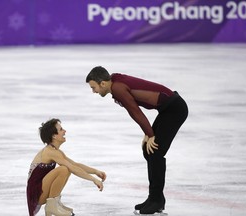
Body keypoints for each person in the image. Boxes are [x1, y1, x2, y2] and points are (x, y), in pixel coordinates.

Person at [86, 66, 188, 214]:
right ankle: (155, 197)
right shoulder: (114, 81)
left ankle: (156, 201)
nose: (93, 91)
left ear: (102, 83)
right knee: (149, 151)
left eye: (93, 87)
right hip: (168, 109)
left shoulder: (118, 89)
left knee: (155, 152)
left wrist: (150, 133)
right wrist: (148, 135)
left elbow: (135, 111)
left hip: (175, 109)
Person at [26, 118, 106, 216]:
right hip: (36, 193)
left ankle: (54, 204)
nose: (65, 131)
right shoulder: (50, 152)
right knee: (64, 169)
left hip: (40, 190)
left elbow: (74, 165)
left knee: (67, 168)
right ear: (54, 136)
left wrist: (95, 171)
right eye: (61, 129)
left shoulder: (56, 152)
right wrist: (93, 179)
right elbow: (72, 168)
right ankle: (52, 206)